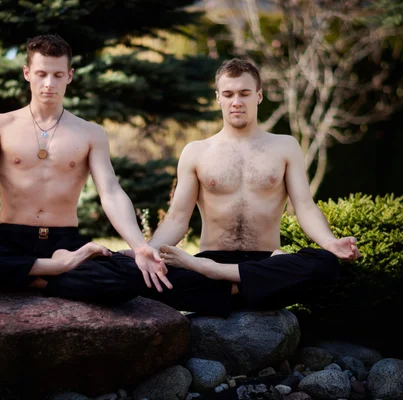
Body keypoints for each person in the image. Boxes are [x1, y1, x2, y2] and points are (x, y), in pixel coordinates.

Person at [0, 33, 176, 303]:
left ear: (69, 76)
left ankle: (30, 273)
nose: (49, 83)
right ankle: (53, 271)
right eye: (42, 73)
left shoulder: (91, 133)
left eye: (57, 75)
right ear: (27, 73)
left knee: (132, 276)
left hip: (66, 241)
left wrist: (139, 246)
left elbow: (111, 193)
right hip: (11, 240)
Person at [128, 58, 361, 312]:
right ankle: (240, 285)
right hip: (226, 262)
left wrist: (329, 242)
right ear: (218, 98)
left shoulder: (285, 147)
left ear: (259, 96)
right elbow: (176, 219)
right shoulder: (196, 151)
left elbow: (305, 207)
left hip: (264, 260)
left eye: (244, 93)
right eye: (228, 94)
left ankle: (219, 282)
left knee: (326, 265)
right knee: (145, 277)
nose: (236, 101)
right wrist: (147, 252)